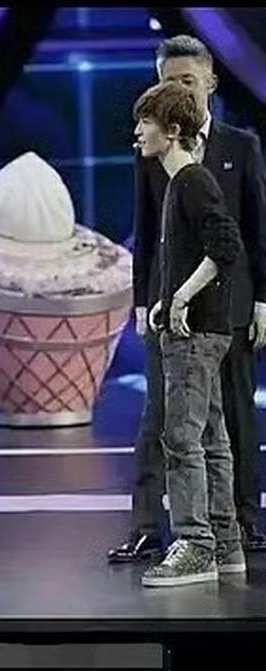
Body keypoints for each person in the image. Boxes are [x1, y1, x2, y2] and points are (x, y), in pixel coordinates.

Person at [109, 33, 266, 565]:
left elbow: (236, 240)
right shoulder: (156, 157)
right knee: (169, 421)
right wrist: (148, 301)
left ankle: (223, 530)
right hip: (172, 315)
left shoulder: (228, 154)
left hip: (219, 312)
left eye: (186, 81)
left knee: (219, 425)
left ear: (210, 83)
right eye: (166, 82)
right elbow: (148, 232)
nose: (176, 90)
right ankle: (162, 529)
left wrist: (247, 299)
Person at [126, 80, 245, 587]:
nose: (137, 132)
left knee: (181, 438)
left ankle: (195, 544)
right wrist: (166, 298)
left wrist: (181, 298)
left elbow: (226, 245)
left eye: (145, 122)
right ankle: (225, 544)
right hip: (198, 327)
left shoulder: (193, 181)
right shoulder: (181, 183)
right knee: (212, 438)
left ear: (172, 130)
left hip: (195, 332)